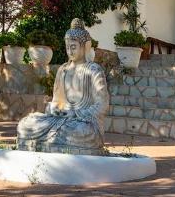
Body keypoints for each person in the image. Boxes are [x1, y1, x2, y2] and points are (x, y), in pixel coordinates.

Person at [16, 19, 109, 155]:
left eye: (74, 47)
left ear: (85, 47)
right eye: (67, 47)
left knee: (78, 131)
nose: (70, 51)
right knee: (26, 124)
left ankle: (57, 137)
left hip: (82, 123)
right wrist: (54, 108)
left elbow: (103, 105)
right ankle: (52, 137)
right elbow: (57, 102)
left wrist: (76, 114)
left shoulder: (93, 70)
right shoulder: (63, 70)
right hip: (61, 119)